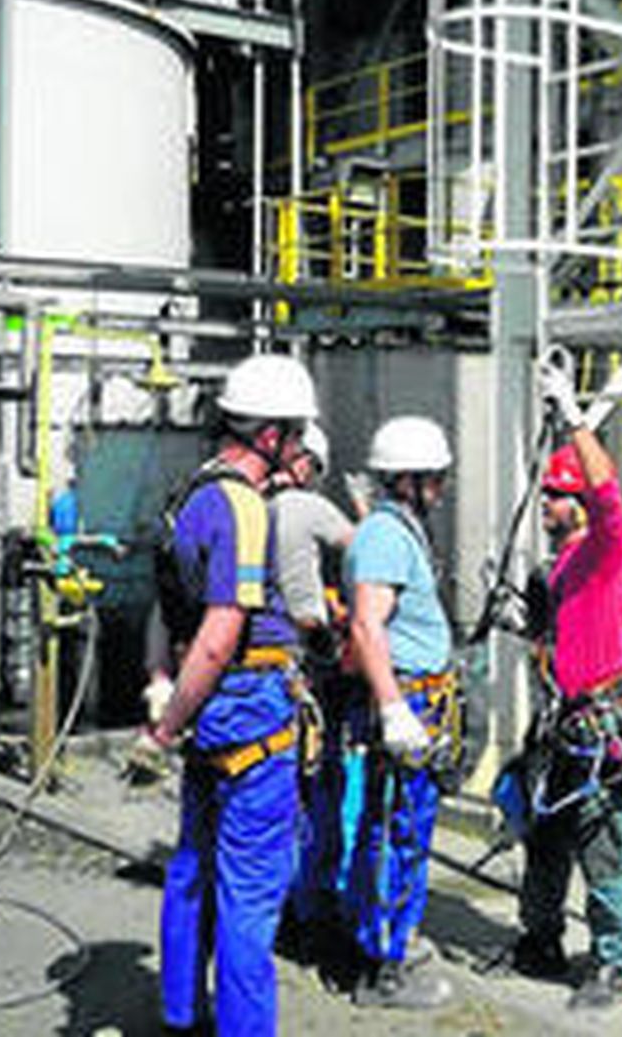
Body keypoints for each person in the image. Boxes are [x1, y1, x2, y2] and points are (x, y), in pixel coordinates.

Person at [133, 352, 318, 1037]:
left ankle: (181, 1014)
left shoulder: (190, 495)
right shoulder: (242, 506)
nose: (297, 449)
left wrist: (162, 691)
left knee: (192, 867)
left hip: (208, 719)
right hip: (248, 715)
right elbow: (218, 632)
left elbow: (169, 609)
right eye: (294, 434)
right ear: (267, 434)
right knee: (249, 896)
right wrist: (162, 730)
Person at [503, 355, 622, 1011]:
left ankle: (611, 961)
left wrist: (574, 415)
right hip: (561, 724)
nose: (546, 505)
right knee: (546, 840)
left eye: (555, 496)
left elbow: (608, 491)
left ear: (575, 502)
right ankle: (541, 939)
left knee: (604, 845)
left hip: (599, 727)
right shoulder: (557, 567)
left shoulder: (606, 549)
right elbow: (552, 639)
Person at [343, 415, 458, 1010]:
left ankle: (391, 941)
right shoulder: (387, 535)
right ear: (408, 480)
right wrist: (393, 709)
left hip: (418, 695)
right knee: (398, 830)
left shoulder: (395, 529)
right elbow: (366, 624)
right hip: (407, 697)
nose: (440, 489)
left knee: (403, 827)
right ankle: (383, 968)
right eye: (434, 479)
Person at [270, 423, 357, 962]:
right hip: (309, 665)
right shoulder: (306, 506)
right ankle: (315, 915)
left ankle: (280, 911)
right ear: (306, 464)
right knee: (321, 791)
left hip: (251, 673)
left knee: (271, 799)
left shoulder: (242, 503)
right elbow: (369, 553)